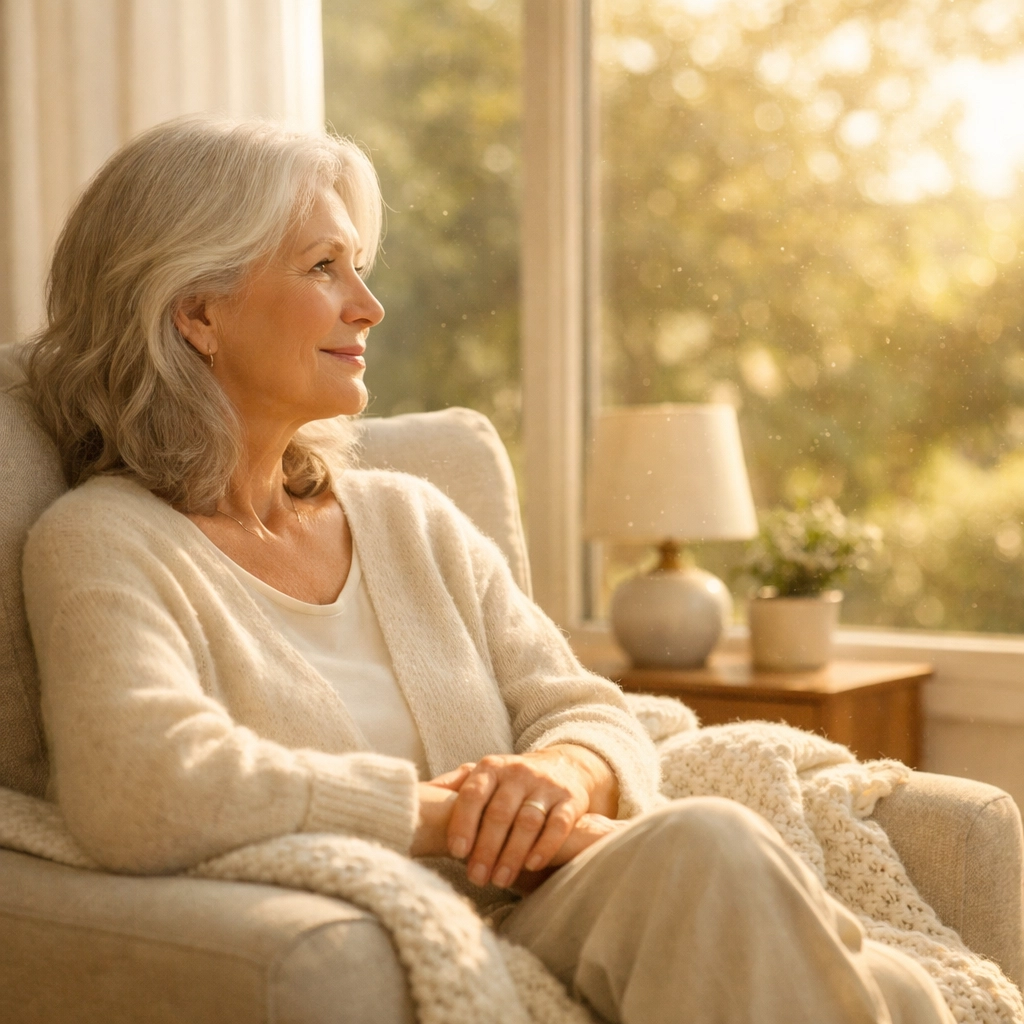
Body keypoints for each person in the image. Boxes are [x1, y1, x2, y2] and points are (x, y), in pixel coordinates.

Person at [20, 114, 952, 1024]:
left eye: (358, 267)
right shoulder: (103, 540)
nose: (368, 306)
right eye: (322, 267)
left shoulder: (409, 520)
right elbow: (137, 783)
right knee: (743, 871)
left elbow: (587, 708)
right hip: (427, 929)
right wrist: (453, 817)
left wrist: (564, 777)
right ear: (197, 313)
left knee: (880, 976)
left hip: (558, 907)